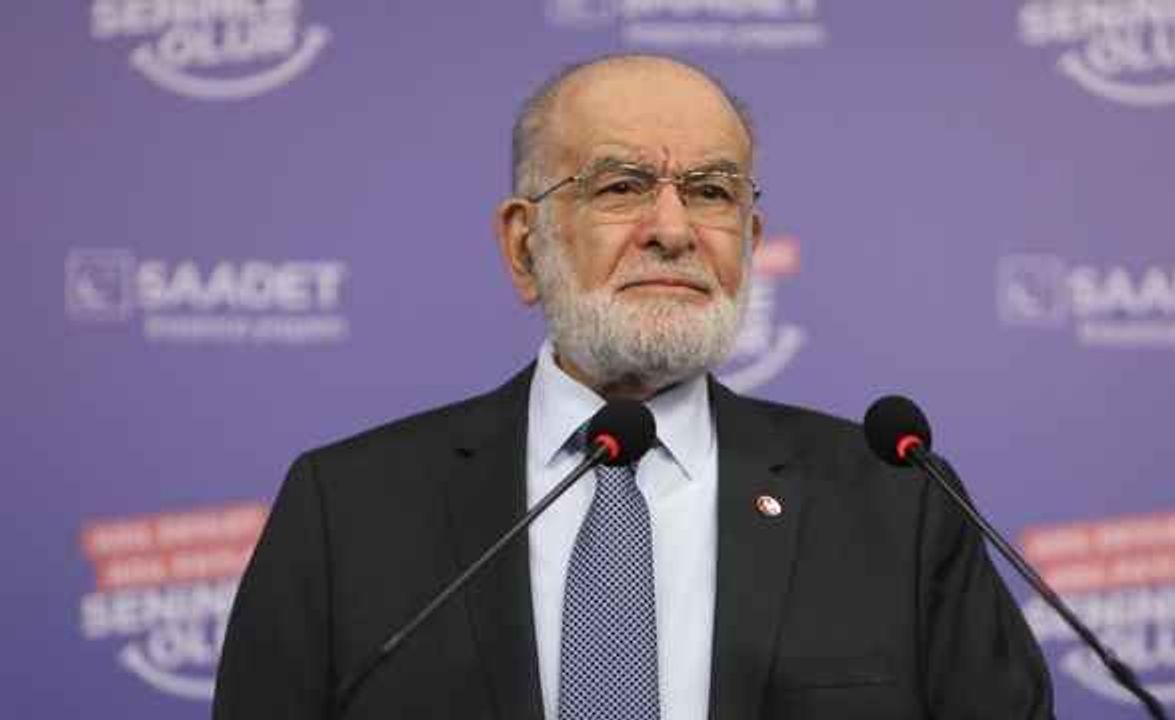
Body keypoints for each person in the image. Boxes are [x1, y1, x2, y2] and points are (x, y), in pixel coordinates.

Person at [213, 54, 1053, 720]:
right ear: (523, 245)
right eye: (621, 187)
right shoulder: (347, 510)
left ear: (750, 240)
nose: (674, 230)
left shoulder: (895, 503)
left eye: (712, 192)